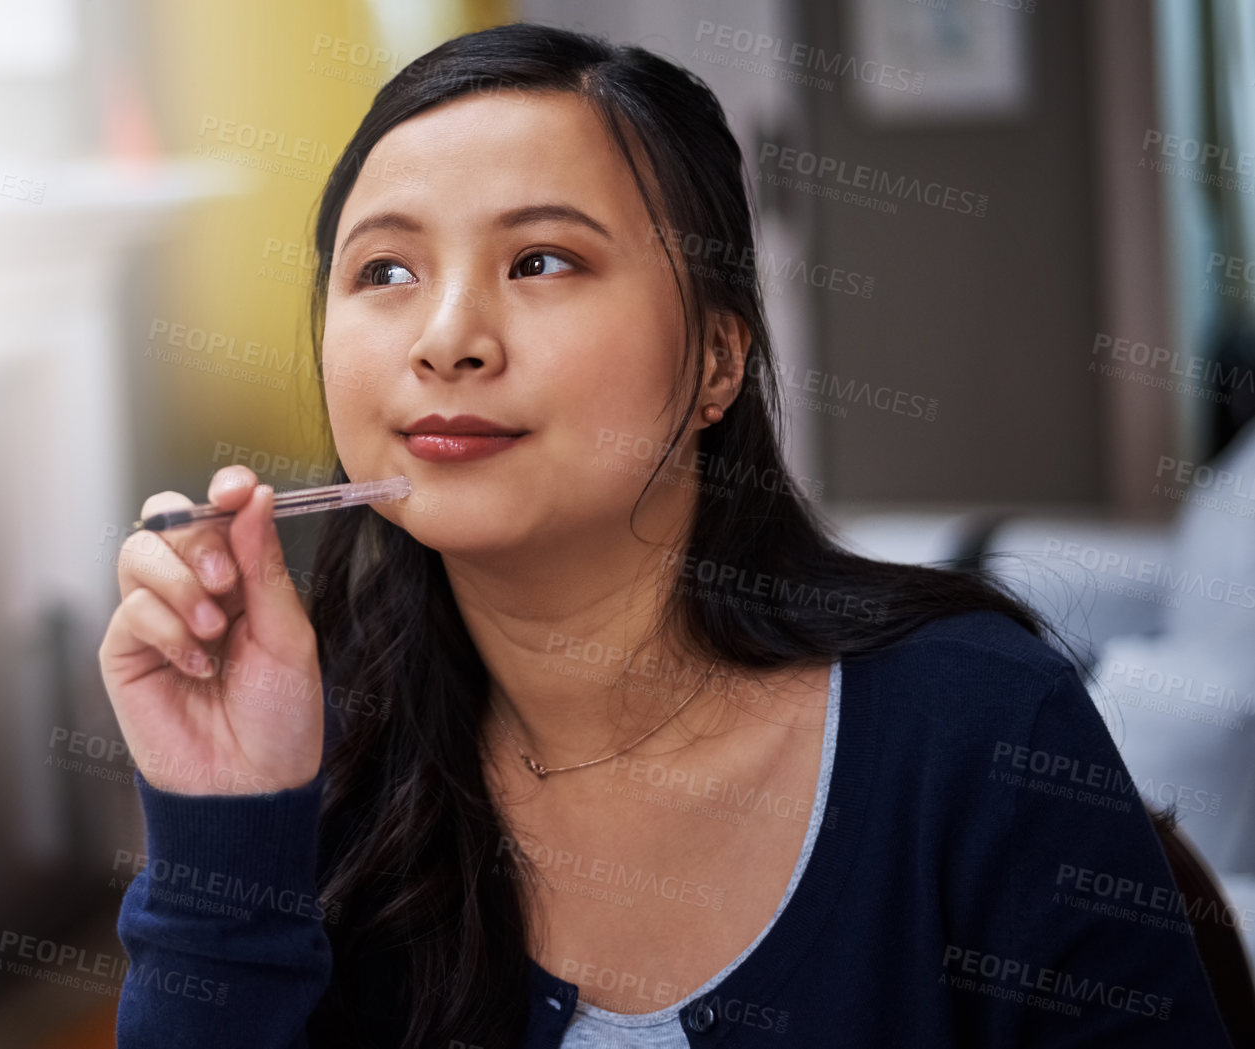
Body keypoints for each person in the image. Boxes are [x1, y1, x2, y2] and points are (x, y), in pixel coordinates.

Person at [96, 22, 1236, 1049]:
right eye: (384, 269)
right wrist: (223, 828)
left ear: (716, 362)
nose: (445, 338)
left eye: (541, 259)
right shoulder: (321, 772)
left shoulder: (981, 722)